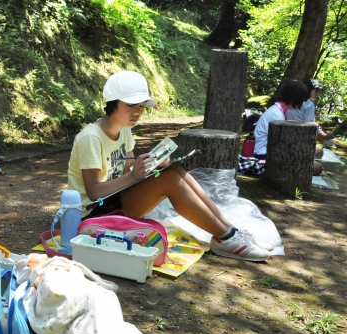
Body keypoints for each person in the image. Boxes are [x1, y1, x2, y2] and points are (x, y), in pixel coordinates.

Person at [67, 71, 272, 262]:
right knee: (170, 180)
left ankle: (230, 231)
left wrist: (151, 164)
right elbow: (94, 192)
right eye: (131, 105)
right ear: (112, 102)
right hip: (90, 215)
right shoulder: (91, 138)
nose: (137, 112)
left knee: (173, 170)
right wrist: (134, 176)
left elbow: (128, 169)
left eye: (141, 106)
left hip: (114, 200)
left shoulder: (124, 130)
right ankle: (225, 238)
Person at [254, 80, 323, 175]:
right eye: (301, 100)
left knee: (317, 155)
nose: (302, 103)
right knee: (317, 167)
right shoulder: (276, 115)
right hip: (265, 156)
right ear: (294, 98)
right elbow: (281, 145)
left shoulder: (279, 111)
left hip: (272, 153)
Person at [287, 78, 335, 147]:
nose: (317, 94)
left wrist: (323, 132)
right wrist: (325, 136)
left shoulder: (292, 100)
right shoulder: (309, 104)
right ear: (308, 90)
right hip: (299, 138)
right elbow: (310, 126)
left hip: (287, 134)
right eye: (316, 91)